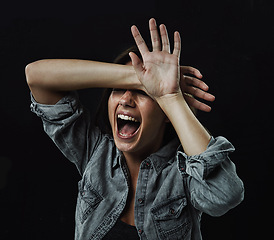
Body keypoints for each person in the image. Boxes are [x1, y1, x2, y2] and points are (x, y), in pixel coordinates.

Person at [25, 18, 244, 240]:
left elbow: (225, 194)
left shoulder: (183, 175)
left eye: (142, 92)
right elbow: (36, 76)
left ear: (166, 113)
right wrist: (138, 78)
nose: (126, 99)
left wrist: (170, 96)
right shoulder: (95, 153)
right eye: (119, 89)